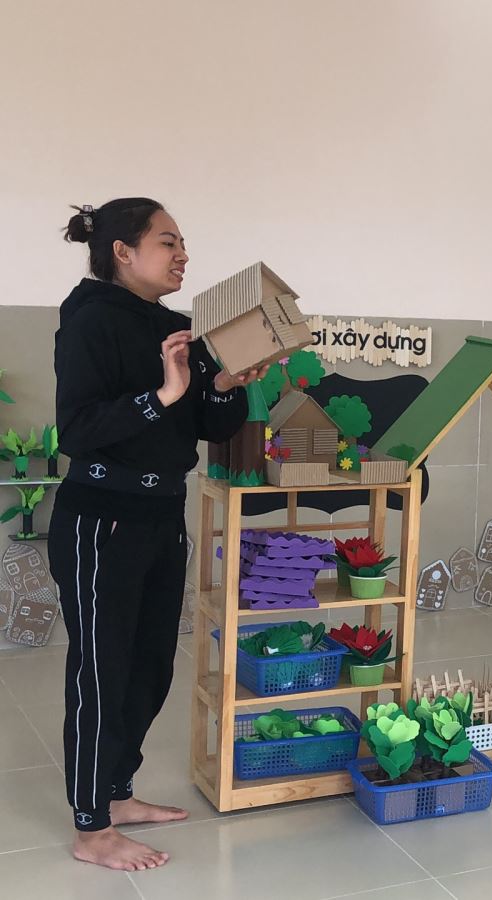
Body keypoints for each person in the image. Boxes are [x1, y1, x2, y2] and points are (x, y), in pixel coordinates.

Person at [52, 199, 269, 869]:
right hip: (102, 518)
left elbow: (209, 425)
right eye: (168, 242)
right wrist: (163, 394)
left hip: (162, 514)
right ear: (123, 251)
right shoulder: (89, 321)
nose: (182, 255)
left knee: (150, 666)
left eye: (182, 243)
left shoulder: (178, 328)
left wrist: (223, 383)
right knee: (103, 669)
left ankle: (117, 794)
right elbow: (78, 430)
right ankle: (92, 828)